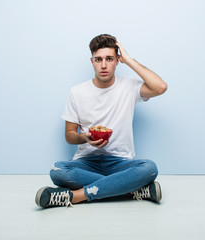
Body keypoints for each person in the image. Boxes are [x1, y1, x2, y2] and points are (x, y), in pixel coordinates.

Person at [35, 34, 167, 208]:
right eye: (98, 59)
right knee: (57, 171)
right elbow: (69, 135)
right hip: (86, 162)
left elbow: (160, 87)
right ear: (92, 61)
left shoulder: (129, 86)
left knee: (149, 168)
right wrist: (85, 137)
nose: (103, 65)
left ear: (117, 61)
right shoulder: (77, 92)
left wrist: (129, 59)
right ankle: (131, 190)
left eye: (109, 59)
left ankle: (75, 196)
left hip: (121, 162)